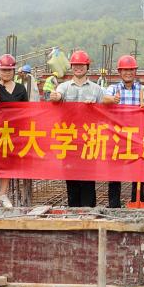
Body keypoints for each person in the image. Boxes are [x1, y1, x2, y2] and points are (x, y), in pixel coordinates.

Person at [52, 50, 116, 207]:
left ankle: (88, 210)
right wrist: (56, 97)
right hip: (69, 140)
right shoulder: (64, 87)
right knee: (71, 179)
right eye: (75, 65)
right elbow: (57, 96)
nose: (78, 68)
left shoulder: (96, 89)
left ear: (87, 67)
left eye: (81, 65)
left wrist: (112, 100)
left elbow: (106, 104)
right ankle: (73, 210)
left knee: (88, 178)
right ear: (71, 67)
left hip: (89, 140)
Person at [105, 55, 144, 207]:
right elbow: (103, 99)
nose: (128, 73)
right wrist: (111, 100)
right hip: (117, 137)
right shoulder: (113, 89)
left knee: (138, 172)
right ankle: (114, 205)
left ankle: (136, 201)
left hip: (137, 138)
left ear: (135, 72)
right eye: (125, 70)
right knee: (115, 173)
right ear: (120, 72)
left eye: (131, 70)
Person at [0, 54, 28, 207]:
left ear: (14, 71)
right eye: (3, 70)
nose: (6, 73)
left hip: (12, 131)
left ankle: (3, 194)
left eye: (9, 70)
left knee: (8, 162)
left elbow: (25, 109)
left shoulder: (21, 89)